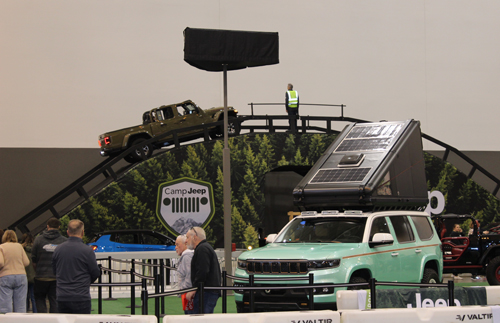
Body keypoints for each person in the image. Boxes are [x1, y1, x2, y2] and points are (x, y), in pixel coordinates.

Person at [52, 219, 100, 314]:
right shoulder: (87, 251)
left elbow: (55, 271)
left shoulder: (58, 249)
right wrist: (85, 282)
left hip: (62, 296)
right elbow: (95, 272)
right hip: (81, 296)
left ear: (67, 232)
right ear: (82, 232)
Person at [31, 217, 67, 313]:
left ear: (47, 226)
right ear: (59, 227)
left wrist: (38, 271)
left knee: (39, 299)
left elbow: (33, 259)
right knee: (54, 301)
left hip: (40, 277)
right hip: (57, 277)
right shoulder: (64, 241)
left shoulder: (38, 240)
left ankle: (42, 320)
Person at [185, 227, 221, 314]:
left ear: (195, 237)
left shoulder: (202, 249)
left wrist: (194, 288)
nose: (186, 241)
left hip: (206, 292)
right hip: (206, 291)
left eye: (187, 237)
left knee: (201, 318)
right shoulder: (204, 248)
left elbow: (203, 271)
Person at [0, 230, 30, 313]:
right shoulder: (19, 246)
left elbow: (1, 262)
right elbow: (26, 262)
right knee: (21, 305)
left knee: (5, 304)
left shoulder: (1, 247)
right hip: (21, 276)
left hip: (5, 276)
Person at [175, 234, 194, 314]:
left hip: (188, 294)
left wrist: (183, 290)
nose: (175, 247)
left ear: (185, 244)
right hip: (187, 293)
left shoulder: (187, 257)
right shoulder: (187, 256)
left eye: (177, 244)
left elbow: (189, 277)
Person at [21, 233, 37, 313]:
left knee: (25, 297)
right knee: (34, 297)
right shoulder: (36, 249)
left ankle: (25, 313)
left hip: (24, 276)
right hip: (34, 276)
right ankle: (35, 314)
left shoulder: (21, 249)